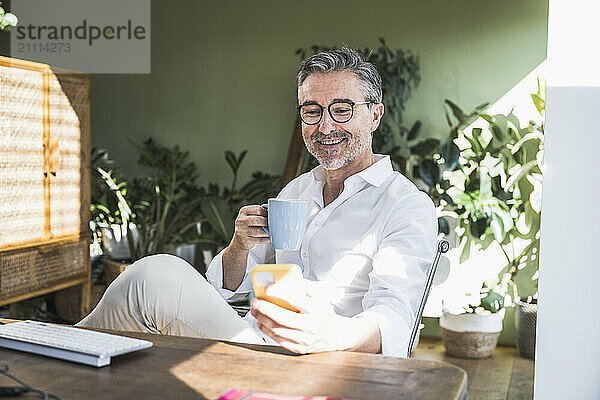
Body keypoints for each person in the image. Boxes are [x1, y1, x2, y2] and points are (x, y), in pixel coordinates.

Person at [77, 48, 437, 357]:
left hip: (318, 357)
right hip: (255, 336)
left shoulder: (405, 205)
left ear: (374, 115)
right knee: (146, 301)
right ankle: (65, 355)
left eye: (342, 110)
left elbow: (395, 318)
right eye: (312, 111)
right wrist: (238, 247)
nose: (325, 127)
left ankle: (55, 349)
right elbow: (228, 289)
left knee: (151, 279)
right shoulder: (296, 192)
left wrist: (330, 335)